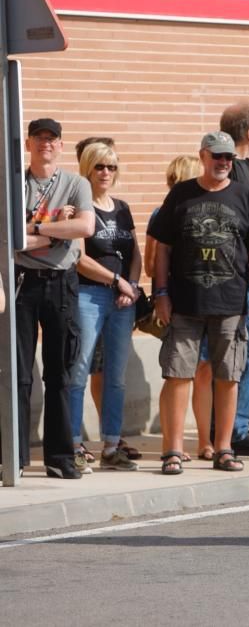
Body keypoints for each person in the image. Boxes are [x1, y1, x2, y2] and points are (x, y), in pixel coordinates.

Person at [148, 131, 249, 475]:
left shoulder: (245, 194)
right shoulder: (181, 194)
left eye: (229, 158)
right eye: (217, 156)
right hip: (184, 303)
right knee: (177, 375)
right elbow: (162, 248)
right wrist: (160, 293)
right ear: (202, 156)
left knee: (229, 376)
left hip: (231, 304)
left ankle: (224, 448)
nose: (223, 163)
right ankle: (173, 450)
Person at [12, 118, 96, 479]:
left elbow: (84, 227)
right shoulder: (14, 183)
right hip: (21, 282)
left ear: (61, 145)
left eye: (53, 139)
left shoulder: (76, 184)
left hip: (61, 283)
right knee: (17, 375)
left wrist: (35, 230)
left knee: (60, 372)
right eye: (39, 138)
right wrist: (55, 234)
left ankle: (59, 457)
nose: (46, 144)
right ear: (28, 144)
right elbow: (9, 238)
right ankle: (12, 456)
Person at [68, 142, 141, 472]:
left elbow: (135, 254)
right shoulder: (78, 208)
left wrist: (133, 285)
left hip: (123, 301)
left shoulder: (122, 208)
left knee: (116, 376)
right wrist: (116, 280)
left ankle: (112, 445)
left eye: (111, 167)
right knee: (79, 370)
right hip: (89, 296)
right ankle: (72, 445)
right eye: (100, 166)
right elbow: (79, 259)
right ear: (87, 168)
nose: (106, 173)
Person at [146, 155, 213, 460]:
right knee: (178, 375)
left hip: (207, 303)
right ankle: (174, 444)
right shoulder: (164, 213)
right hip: (178, 305)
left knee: (204, 373)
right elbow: (150, 263)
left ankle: (204, 441)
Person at [219, 102, 249, 458]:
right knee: (241, 356)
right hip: (237, 279)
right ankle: (235, 429)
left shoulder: (245, 169)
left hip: (245, 278)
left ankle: (233, 427)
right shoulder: (234, 171)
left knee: (245, 356)